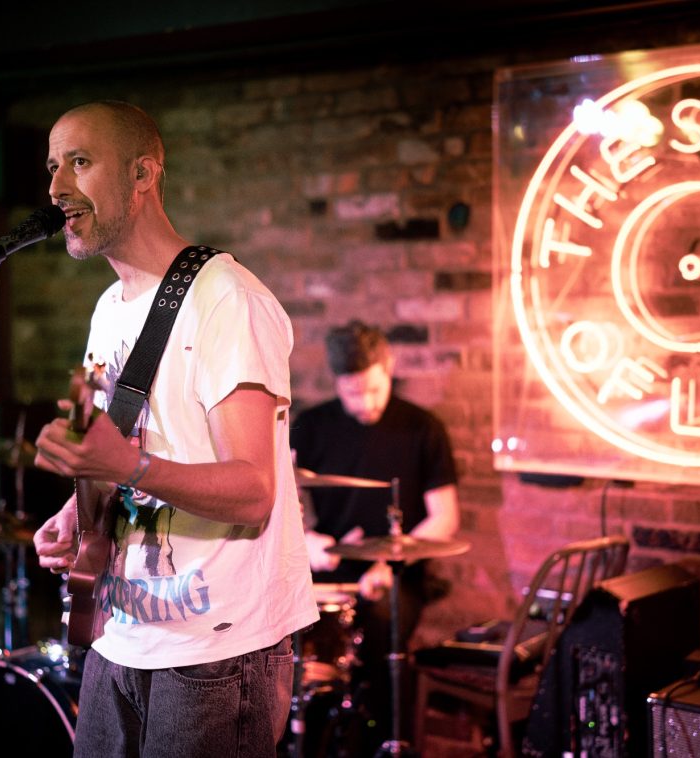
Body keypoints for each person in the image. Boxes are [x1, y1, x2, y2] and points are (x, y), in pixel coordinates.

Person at [31, 101, 317, 757]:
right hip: (120, 633)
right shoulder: (109, 310)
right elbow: (136, 450)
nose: (55, 190)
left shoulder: (227, 301)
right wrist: (77, 516)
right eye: (52, 168)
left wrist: (127, 469)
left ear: (142, 174)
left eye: (79, 162)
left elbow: (253, 490)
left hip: (217, 650)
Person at [290, 321, 459, 749]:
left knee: (383, 624)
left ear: (389, 367)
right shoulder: (311, 426)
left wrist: (390, 563)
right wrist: (305, 540)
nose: (363, 403)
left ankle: (382, 741)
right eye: (351, 393)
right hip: (330, 566)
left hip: (399, 573)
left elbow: (445, 518)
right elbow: (280, 500)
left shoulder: (424, 428)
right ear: (336, 382)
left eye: (372, 389)